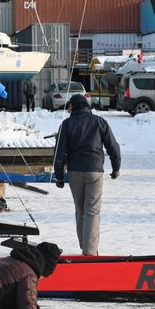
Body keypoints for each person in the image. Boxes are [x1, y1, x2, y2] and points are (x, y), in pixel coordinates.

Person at [53, 93, 121, 255]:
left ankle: (85, 246)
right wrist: (116, 168)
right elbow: (113, 147)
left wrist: (59, 176)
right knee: (92, 210)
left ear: (73, 106)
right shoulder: (99, 122)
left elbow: (59, 153)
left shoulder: (66, 124)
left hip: (75, 172)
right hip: (95, 171)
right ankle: (89, 251)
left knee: (80, 209)